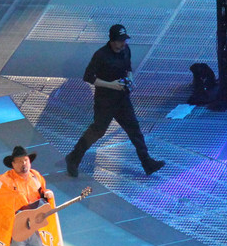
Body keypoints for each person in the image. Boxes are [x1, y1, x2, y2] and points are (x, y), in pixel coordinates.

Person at [64, 24, 164, 177]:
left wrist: (130, 80)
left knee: (134, 130)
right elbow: (88, 77)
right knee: (97, 131)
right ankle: (73, 158)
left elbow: (128, 68)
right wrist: (110, 85)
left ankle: (147, 162)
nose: (123, 43)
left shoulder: (125, 50)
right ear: (112, 40)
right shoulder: (101, 55)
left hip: (122, 98)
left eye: (124, 40)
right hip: (105, 101)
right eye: (119, 40)